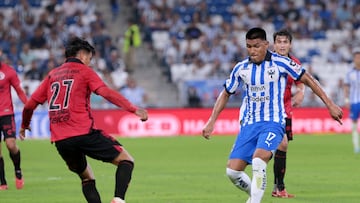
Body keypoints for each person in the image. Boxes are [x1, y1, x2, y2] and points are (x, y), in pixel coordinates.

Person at [202, 27, 343, 203]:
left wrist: (330, 104)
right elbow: (225, 93)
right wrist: (211, 121)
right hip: (249, 125)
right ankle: (254, 194)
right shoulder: (241, 68)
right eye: (249, 46)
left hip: (273, 122)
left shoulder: (281, 62)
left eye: (256, 46)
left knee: (259, 161)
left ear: (266, 44)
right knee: (232, 172)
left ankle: (255, 200)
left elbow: (307, 78)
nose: (252, 51)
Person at [19, 37, 148, 203]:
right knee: (126, 160)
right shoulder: (84, 72)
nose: (89, 62)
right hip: (83, 133)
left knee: (86, 177)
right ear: (82, 54)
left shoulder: (52, 75)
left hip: (61, 141)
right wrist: (133, 108)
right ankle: (118, 200)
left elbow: (30, 105)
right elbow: (105, 92)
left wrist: (24, 125)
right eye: (89, 57)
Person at [271, 29, 305, 198]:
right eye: (279, 42)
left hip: (285, 110)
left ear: (290, 44)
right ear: (274, 44)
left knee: (282, 146)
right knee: (277, 146)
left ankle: (278, 188)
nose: (282, 45)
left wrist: (300, 92)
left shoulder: (294, 62)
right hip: (267, 111)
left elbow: (301, 83)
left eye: (285, 42)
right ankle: (278, 187)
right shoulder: (266, 61)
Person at [0, 49, 27, 190]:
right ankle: (3, 182)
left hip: (6, 113)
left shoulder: (9, 71)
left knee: (11, 145)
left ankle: (18, 171)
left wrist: (29, 106)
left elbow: (19, 91)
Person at [344, 48, 360, 154]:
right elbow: (346, 87)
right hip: (354, 101)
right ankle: (356, 146)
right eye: (357, 57)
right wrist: (347, 100)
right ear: (354, 59)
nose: (358, 59)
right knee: (354, 124)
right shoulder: (350, 73)